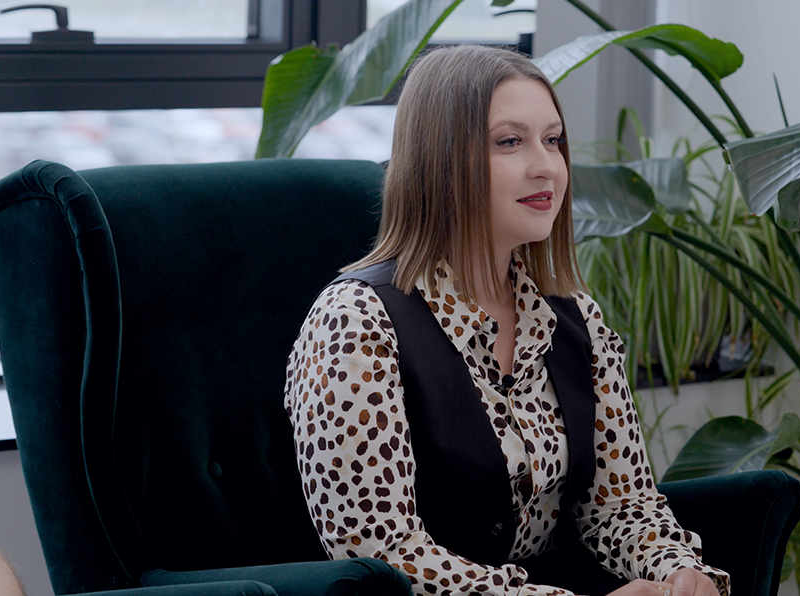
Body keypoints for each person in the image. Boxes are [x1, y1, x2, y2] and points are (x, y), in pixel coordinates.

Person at [284, 44, 728, 596]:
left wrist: (680, 570)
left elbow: (619, 507)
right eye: (510, 142)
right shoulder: (355, 323)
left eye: (553, 140)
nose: (546, 166)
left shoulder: (575, 319)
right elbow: (382, 553)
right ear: (440, 160)